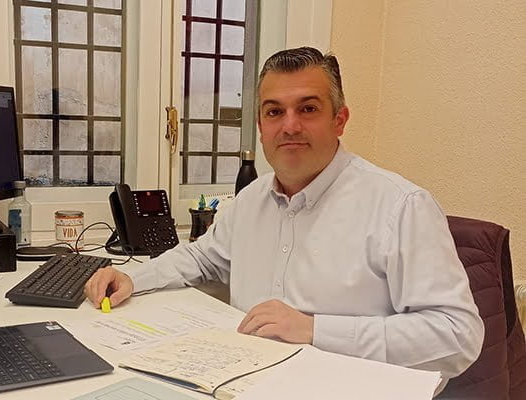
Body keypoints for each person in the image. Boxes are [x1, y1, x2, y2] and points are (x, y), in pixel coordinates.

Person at [84, 47, 484, 391]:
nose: (290, 126)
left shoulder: (401, 207)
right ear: (261, 127)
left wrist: (315, 330)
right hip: (247, 381)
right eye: (275, 111)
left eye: (308, 109)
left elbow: (457, 335)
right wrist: (135, 278)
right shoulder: (251, 200)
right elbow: (202, 258)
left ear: (340, 119)